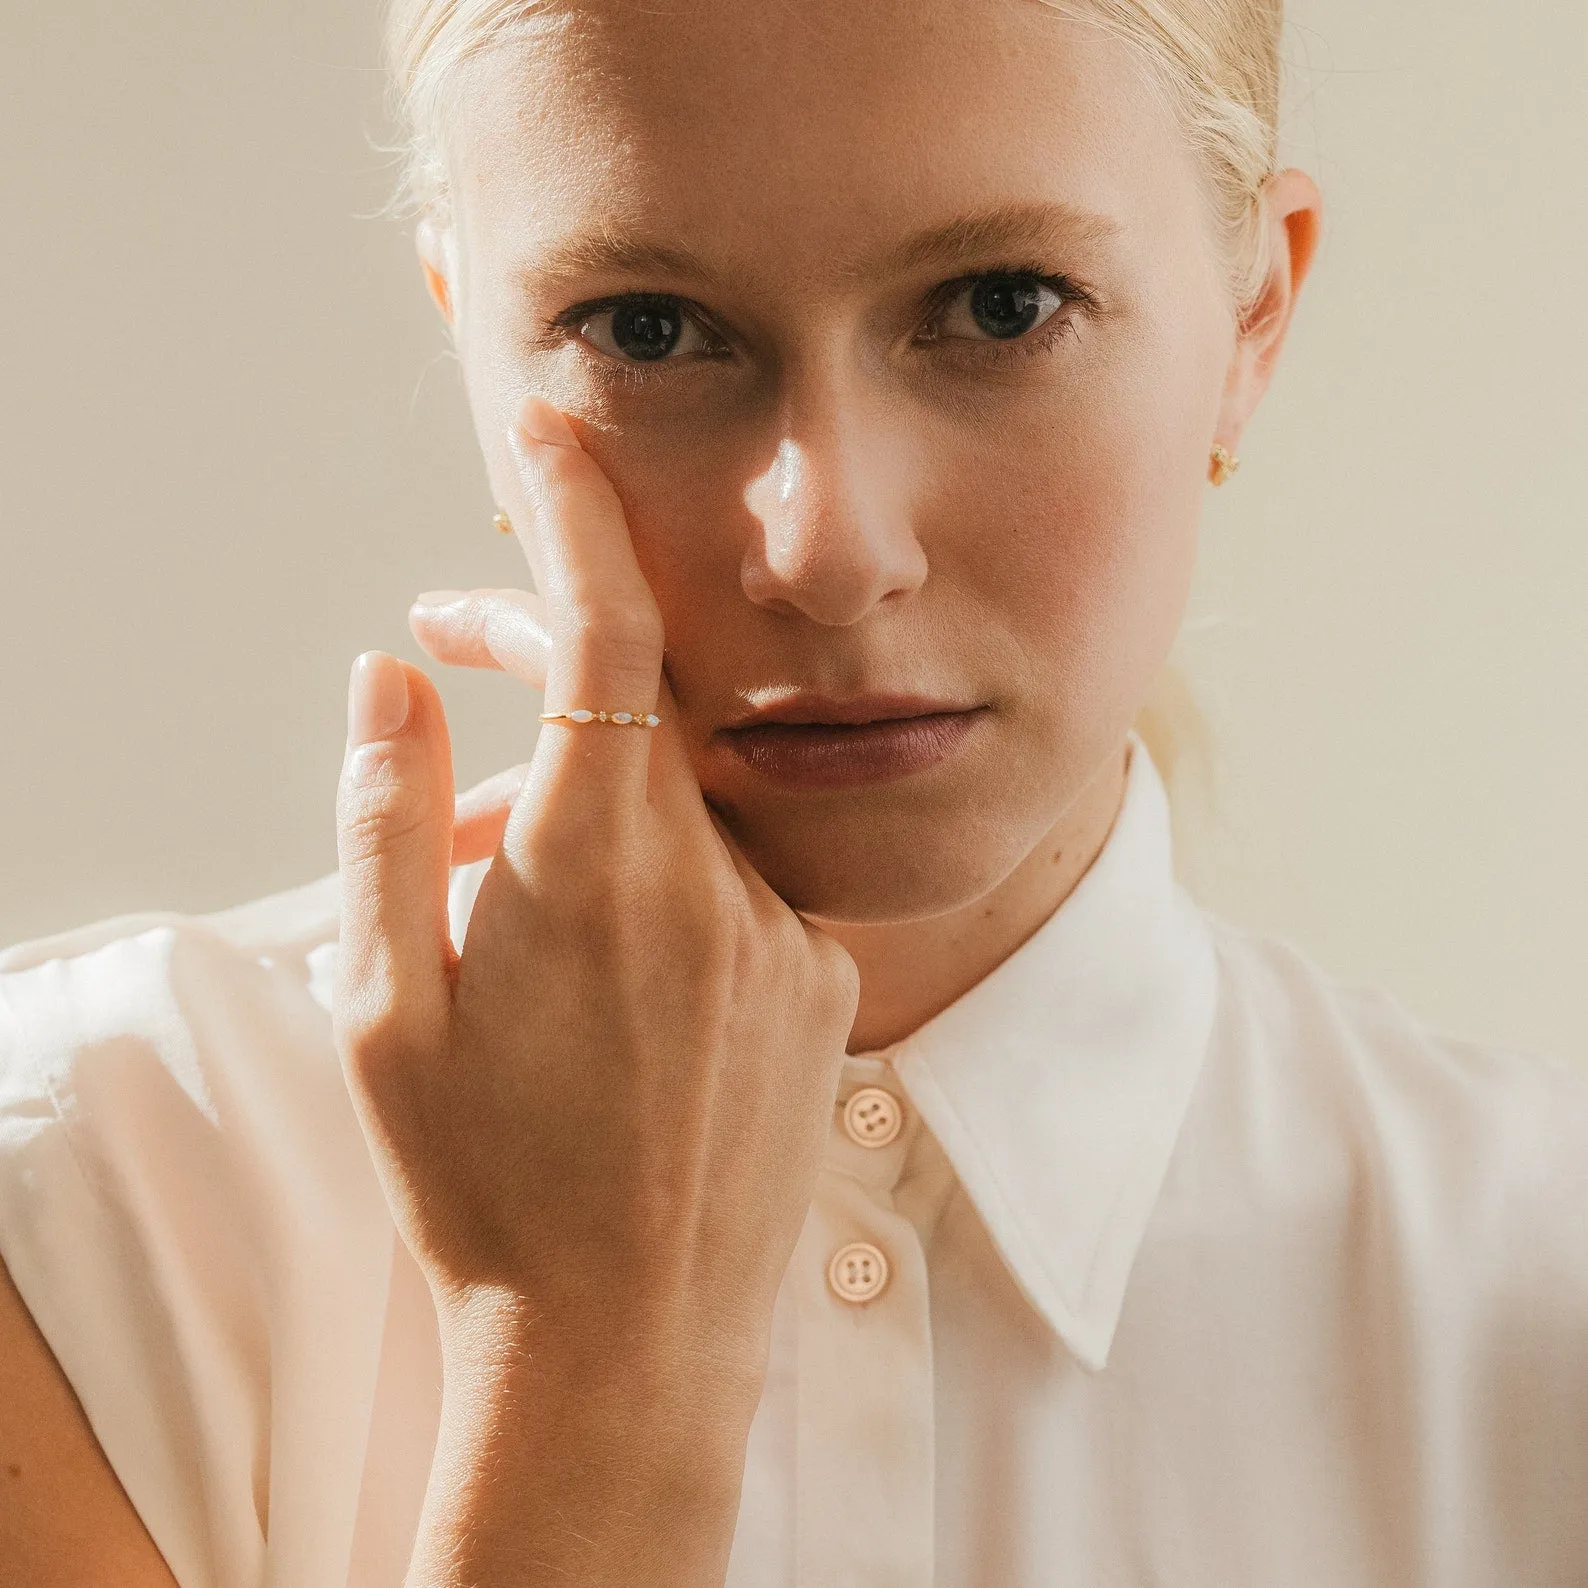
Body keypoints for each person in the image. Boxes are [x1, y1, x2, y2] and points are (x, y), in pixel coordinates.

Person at [3, 0, 1586, 1582]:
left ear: (1256, 314)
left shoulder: (1543, 1286)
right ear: (463, 334)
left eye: (1001, 303)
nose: (828, 548)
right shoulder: (75, 1198)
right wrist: (585, 1372)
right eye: (648, 330)